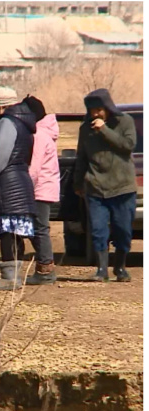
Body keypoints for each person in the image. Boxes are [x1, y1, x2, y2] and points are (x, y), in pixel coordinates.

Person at [73, 88, 137, 282]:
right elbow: (81, 157)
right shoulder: (85, 129)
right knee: (98, 230)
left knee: (123, 230)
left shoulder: (125, 122)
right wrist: (77, 183)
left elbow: (128, 145)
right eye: (92, 110)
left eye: (99, 109)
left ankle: (120, 267)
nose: (95, 114)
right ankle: (102, 269)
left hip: (122, 187)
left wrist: (104, 130)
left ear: (108, 108)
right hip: (96, 187)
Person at [0, 93, 37, 291]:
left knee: (7, 231)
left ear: (1, 106)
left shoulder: (7, 123)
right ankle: (14, 277)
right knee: (15, 232)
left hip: (6, 183)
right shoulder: (26, 126)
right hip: (20, 180)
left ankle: (9, 278)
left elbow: (0, 157)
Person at [22, 96, 60, 285]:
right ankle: (45, 267)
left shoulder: (38, 135)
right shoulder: (46, 132)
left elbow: (34, 168)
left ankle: (45, 269)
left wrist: (24, 188)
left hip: (39, 189)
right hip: (45, 187)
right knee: (37, 228)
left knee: (39, 229)